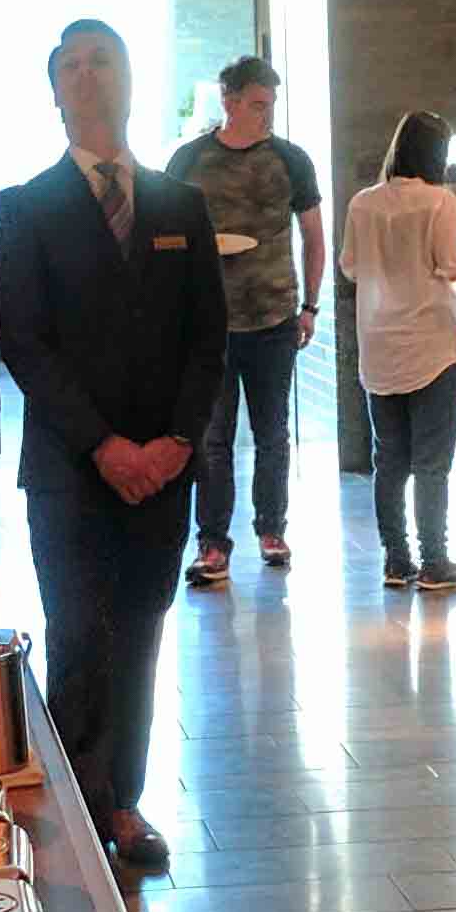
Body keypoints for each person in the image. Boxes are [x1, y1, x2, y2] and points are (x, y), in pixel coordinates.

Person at [0, 19, 225, 875]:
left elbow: (209, 339)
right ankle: (80, 811)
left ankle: (123, 800)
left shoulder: (180, 207)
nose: (88, 76)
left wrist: (175, 442)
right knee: (80, 636)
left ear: (128, 79)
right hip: (70, 470)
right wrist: (104, 446)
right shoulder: (27, 208)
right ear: (55, 92)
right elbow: (26, 343)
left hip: (163, 471)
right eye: (72, 66)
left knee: (141, 633)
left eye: (103, 62)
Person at [164, 53, 325, 589]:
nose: (267, 114)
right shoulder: (189, 160)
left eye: (270, 104)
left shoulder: (291, 160)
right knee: (213, 438)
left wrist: (310, 306)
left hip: (275, 317)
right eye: (257, 105)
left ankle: (272, 530)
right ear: (228, 102)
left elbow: (314, 236)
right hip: (209, 325)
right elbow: (164, 236)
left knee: (272, 433)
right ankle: (212, 543)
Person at [334, 107, 456, 592]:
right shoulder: (439, 201)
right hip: (433, 346)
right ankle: (435, 562)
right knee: (432, 463)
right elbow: (450, 266)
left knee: (388, 461)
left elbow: (350, 267)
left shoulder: (363, 203)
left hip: (379, 346)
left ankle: (396, 561)